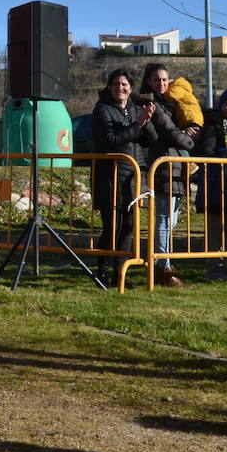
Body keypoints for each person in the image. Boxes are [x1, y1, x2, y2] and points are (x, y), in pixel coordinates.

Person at [91, 68, 158, 283]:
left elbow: (152, 140)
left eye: (124, 84)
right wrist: (138, 124)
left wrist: (146, 121)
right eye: (116, 84)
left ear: (131, 88)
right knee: (112, 226)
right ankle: (102, 271)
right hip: (111, 176)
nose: (120, 87)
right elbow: (111, 139)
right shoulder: (103, 109)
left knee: (129, 227)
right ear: (109, 87)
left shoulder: (137, 109)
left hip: (134, 177)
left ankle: (120, 274)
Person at [139, 64, 195, 287]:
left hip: (175, 166)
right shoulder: (150, 103)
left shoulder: (173, 102)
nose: (161, 84)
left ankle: (158, 262)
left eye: (165, 80)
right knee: (163, 220)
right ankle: (163, 268)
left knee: (169, 221)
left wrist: (192, 128)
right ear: (149, 82)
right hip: (162, 165)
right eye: (156, 80)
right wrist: (188, 137)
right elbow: (167, 130)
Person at [195, 88, 227, 281]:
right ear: (221, 105)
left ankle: (222, 264)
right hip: (216, 182)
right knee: (215, 227)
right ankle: (213, 267)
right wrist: (226, 155)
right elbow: (207, 150)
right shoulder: (213, 123)